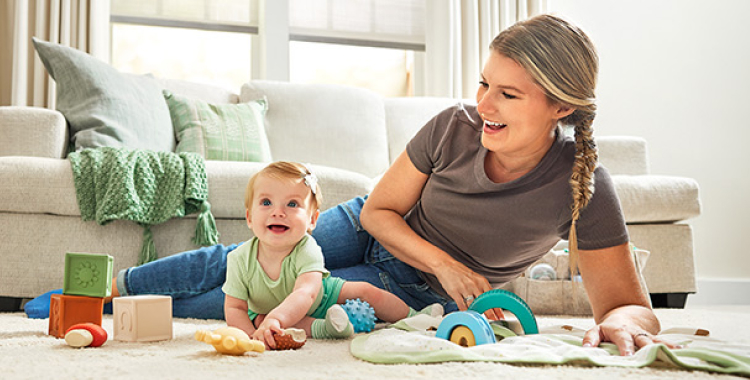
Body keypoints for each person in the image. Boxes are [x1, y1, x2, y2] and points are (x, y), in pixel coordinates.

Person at [26, 14, 673, 356]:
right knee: (243, 264)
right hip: (372, 229)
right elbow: (380, 213)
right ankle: (106, 290)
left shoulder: (582, 186)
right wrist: (446, 262)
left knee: (257, 310)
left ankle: (118, 312)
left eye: (507, 93)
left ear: (561, 107)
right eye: (483, 83)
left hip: (410, 293)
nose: (485, 104)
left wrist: (621, 326)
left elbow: (626, 303)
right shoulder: (454, 126)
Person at [222, 161, 441, 348]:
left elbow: (306, 294)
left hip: (321, 297)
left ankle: (414, 317)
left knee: (367, 290)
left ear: (312, 220)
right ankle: (327, 328)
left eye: (292, 204)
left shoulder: (307, 248)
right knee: (274, 323)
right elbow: (235, 307)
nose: (278, 212)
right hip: (265, 312)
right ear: (249, 218)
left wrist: (275, 318)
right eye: (266, 202)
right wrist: (250, 337)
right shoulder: (239, 258)